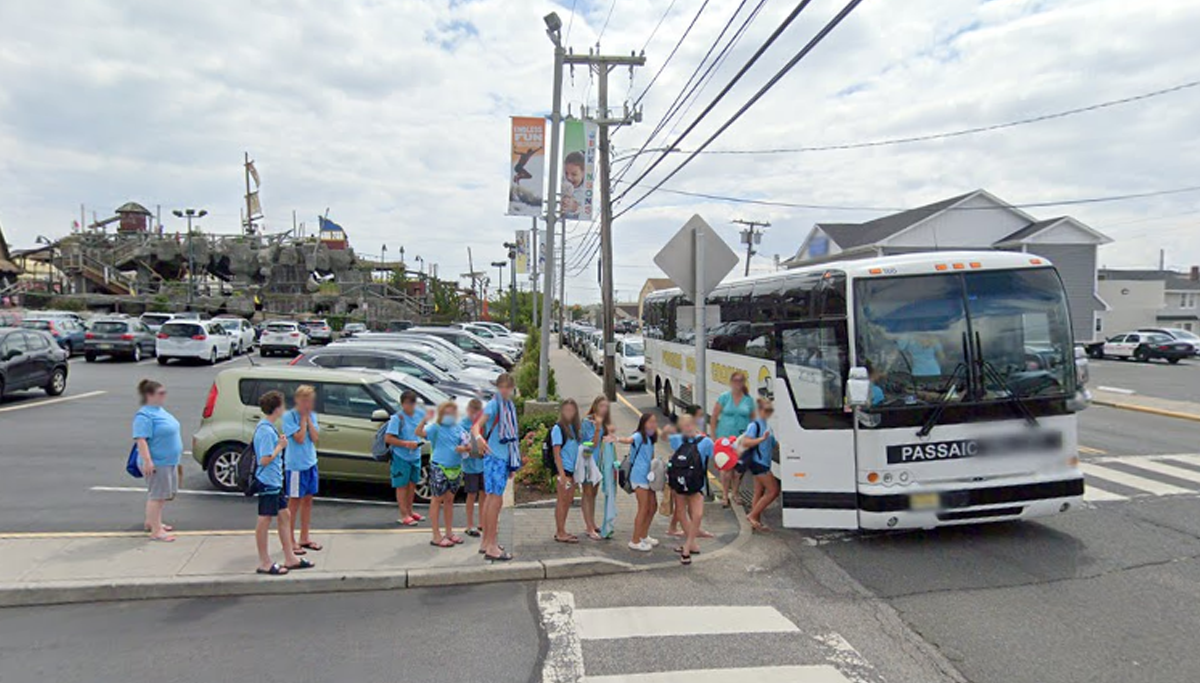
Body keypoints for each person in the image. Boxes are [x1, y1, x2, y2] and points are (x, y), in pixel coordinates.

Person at [251, 391, 311, 575]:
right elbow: (265, 459)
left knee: (284, 515)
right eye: (282, 405)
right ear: (277, 408)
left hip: (275, 481)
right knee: (265, 519)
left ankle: (290, 557)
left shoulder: (268, 427)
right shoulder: (265, 431)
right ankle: (264, 562)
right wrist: (280, 446)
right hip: (267, 481)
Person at [472, 372, 519, 561]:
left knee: (492, 500)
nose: (505, 390)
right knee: (495, 501)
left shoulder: (508, 406)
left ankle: (487, 542)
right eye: (502, 386)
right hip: (495, 457)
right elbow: (476, 426)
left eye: (508, 387)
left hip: (501, 457)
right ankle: (491, 545)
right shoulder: (494, 405)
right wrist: (479, 438)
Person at [132, 379, 182, 542]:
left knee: (161, 495)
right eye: (160, 393)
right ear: (149, 395)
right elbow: (141, 439)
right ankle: (156, 530)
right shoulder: (144, 415)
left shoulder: (159, 411)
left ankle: (153, 522)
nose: (164, 396)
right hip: (158, 462)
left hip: (168, 460)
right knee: (157, 496)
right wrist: (147, 461)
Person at [660, 414, 713, 565]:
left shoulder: (705, 442)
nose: (686, 428)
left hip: (691, 485)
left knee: (697, 514)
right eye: (683, 426)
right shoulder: (687, 439)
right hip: (686, 484)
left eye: (688, 425)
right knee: (682, 512)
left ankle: (689, 544)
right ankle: (688, 548)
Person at [417, 401, 468, 548]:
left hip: (456, 468)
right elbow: (419, 433)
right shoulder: (436, 428)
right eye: (447, 412)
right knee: (436, 499)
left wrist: (464, 448)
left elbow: (468, 445)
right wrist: (424, 419)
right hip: (439, 466)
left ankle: (449, 532)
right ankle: (436, 535)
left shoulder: (458, 428)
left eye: (452, 412)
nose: (450, 415)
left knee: (449, 500)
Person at [613, 413, 660, 552]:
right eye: (650, 422)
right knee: (643, 508)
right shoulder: (639, 436)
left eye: (654, 422)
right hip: (639, 477)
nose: (653, 425)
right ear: (643, 423)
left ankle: (644, 535)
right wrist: (616, 438)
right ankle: (634, 540)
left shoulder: (651, 438)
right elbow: (629, 440)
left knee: (653, 507)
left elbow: (651, 457)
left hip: (649, 477)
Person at [283, 385, 321, 554]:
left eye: (310, 401)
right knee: (294, 503)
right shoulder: (289, 416)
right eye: (305, 400)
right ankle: (290, 540)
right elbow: (298, 438)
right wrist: (303, 420)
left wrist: (309, 420)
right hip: (296, 466)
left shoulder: (313, 415)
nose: (308, 404)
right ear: (297, 400)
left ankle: (304, 537)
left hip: (310, 462)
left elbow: (315, 438)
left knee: (308, 500)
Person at [667, 404, 714, 540]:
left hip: (679, 478)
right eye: (699, 416)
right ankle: (690, 536)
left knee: (683, 508)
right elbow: (715, 457)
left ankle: (690, 534)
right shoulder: (705, 441)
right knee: (689, 508)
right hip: (695, 480)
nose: (701, 419)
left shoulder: (678, 438)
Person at [711, 371, 755, 508]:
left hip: (741, 439)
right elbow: (714, 416)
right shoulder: (724, 397)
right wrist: (713, 437)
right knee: (725, 469)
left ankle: (735, 493)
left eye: (740, 381)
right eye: (735, 380)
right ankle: (725, 495)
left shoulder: (748, 400)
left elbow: (753, 420)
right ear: (731, 382)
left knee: (738, 470)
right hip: (724, 438)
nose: (738, 383)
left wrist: (752, 437)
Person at [386, 390, 426, 526]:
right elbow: (389, 438)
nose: (409, 407)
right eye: (406, 404)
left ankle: (410, 511)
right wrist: (406, 444)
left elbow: (423, 430)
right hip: (401, 456)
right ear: (402, 404)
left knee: (412, 484)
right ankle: (404, 514)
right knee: (401, 485)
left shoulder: (420, 414)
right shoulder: (397, 418)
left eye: (412, 403)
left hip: (415, 454)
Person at [740, 398, 780, 532]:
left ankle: (756, 522)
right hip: (758, 463)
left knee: (759, 491)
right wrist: (761, 439)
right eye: (766, 410)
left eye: (771, 410)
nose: (769, 412)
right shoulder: (755, 425)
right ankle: (751, 516)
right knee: (774, 491)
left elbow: (773, 443)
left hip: (764, 462)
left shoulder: (767, 425)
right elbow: (746, 442)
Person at [578, 396, 613, 541]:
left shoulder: (604, 423)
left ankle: (591, 522)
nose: (604, 410)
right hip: (588, 460)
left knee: (593, 494)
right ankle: (589, 527)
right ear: (595, 406)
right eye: (601, 406)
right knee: (587, 493)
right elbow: (590, 443)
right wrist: (598, 428)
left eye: (606, 407)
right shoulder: (587, 422)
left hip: (599, 462)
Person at [551, 399, 582, 544]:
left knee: (567, 501)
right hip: (564, 472)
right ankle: (560, 531)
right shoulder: (558, 429)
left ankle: (562, 529)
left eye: (572, 410)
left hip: (572, 471)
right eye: (567, 410)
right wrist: (562, 474)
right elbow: (557, 453)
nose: (569, 413)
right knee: (562, 501)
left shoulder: (574, 429)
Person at [460, 398, 486, 537]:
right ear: (468, 411)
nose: (475, 416)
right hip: (470, 465)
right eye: (473, 413)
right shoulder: (463, 425)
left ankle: (482, 522)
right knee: (471, 494)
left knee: (484, 493)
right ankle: (469, 524)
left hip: (482, 463)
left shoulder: (482, 423)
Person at [561, 151, 587, 217]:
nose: (569, 177)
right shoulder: (560, 184)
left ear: (583, 173)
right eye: (566, 173)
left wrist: (575, 208)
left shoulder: (587, 191)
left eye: (574, 174)